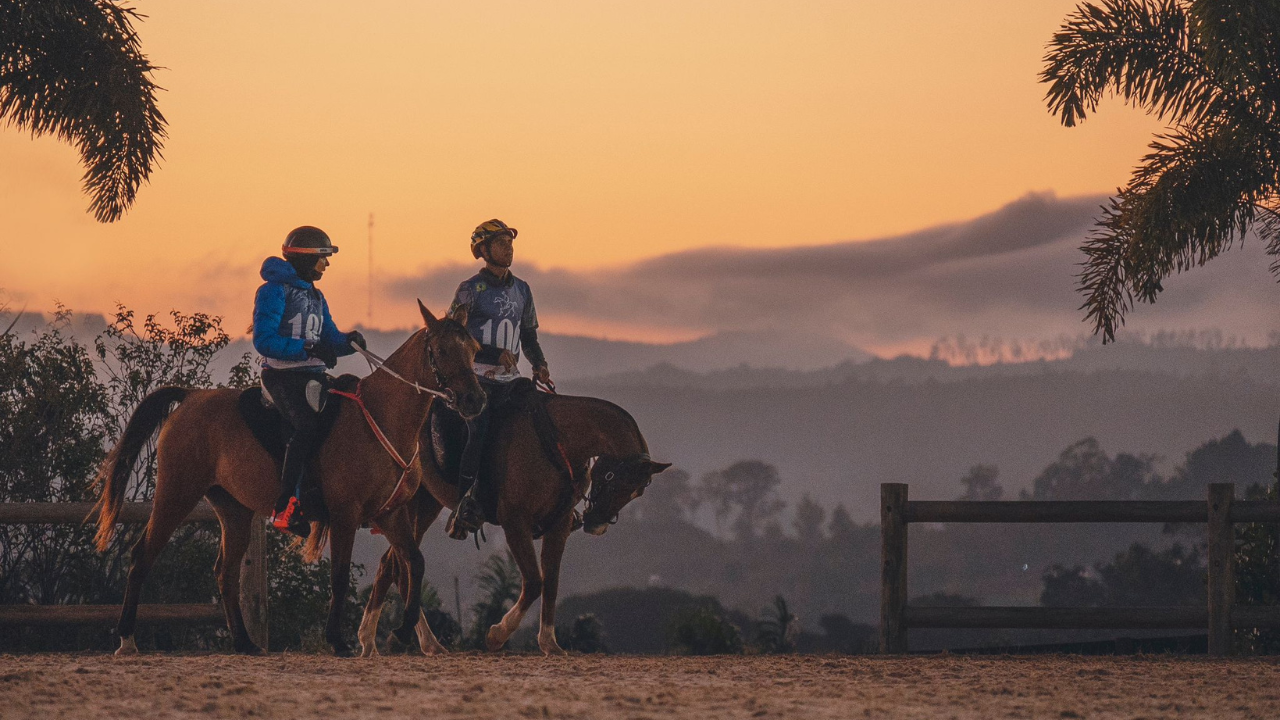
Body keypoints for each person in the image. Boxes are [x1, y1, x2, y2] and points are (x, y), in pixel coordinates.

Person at [252, 226, 366, 536]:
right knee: (305, 424)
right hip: (281, 377)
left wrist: (349, 342)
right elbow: (263, 340)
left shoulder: (316, 295)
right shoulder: (273, 291)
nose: (326, 265)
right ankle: (285, 507)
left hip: (311, 375)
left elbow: (328, 337)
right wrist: (305, 348)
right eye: (322, 258)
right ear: (305, 259)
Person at [445, 219, 552, 539]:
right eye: (502, 244)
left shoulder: (523, 289)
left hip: (511, 379)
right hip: (477, 381)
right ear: (483, 250)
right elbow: (454, 337)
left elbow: (528, 336)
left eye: (511, 244)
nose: (510, 249)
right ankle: (464, 505)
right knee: (479, 432)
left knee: (542, 418)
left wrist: (540, 364)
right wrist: (491, 354)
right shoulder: (469, 289)